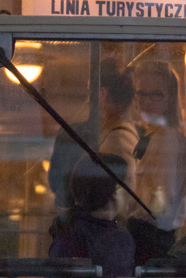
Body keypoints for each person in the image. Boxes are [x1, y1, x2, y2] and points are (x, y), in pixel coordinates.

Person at [49, 63, 139, 212]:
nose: (87, 100)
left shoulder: (117, 138)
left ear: (102, 94)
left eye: (90, 92)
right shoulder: (118, 132)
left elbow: (121, 198)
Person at [129, 60, 186, 264]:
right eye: (141, 93)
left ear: (170, 97)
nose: (147, 101)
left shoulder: (167, 138)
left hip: (151, 241)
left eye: (156, 94)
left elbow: (164, 202)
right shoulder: (152, 134)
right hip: (147, 237)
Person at [49, 156, 136, 278]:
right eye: (129, 181)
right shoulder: (72, 235)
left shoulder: (69, 230)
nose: (133, 190)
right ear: (115, 192)